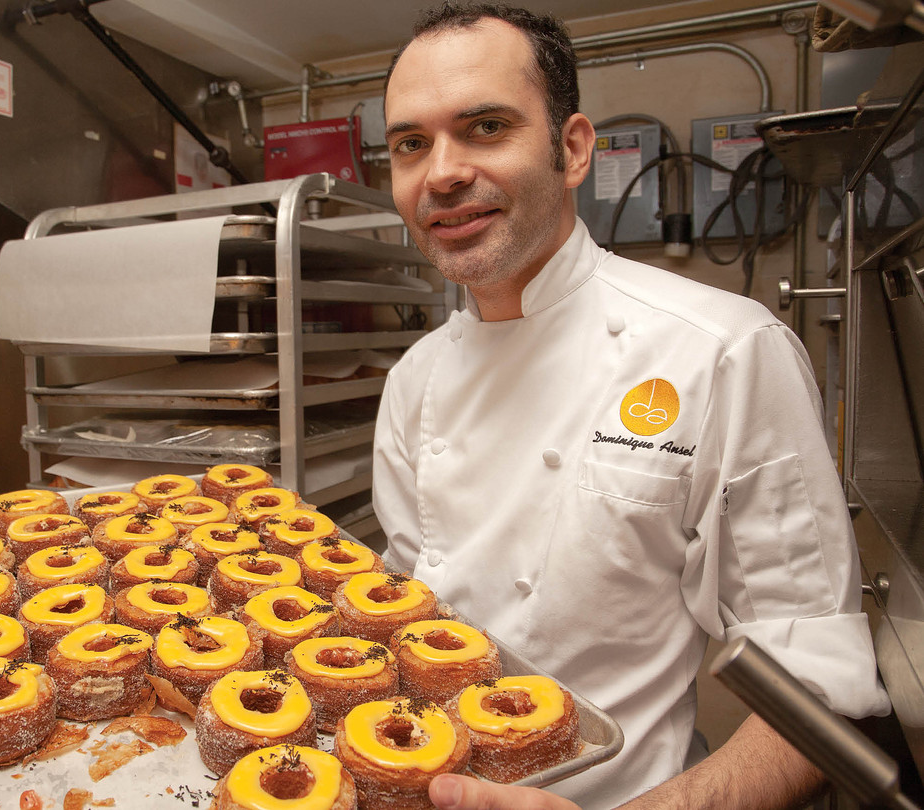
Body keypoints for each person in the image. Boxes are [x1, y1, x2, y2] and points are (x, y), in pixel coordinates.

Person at [373, 5, 889, 809]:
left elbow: (822, 690)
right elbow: (407, 629)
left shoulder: (722, 351)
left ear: (572, 149)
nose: (441, 172)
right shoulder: (413, 380)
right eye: (411, 143)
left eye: (484, 127)